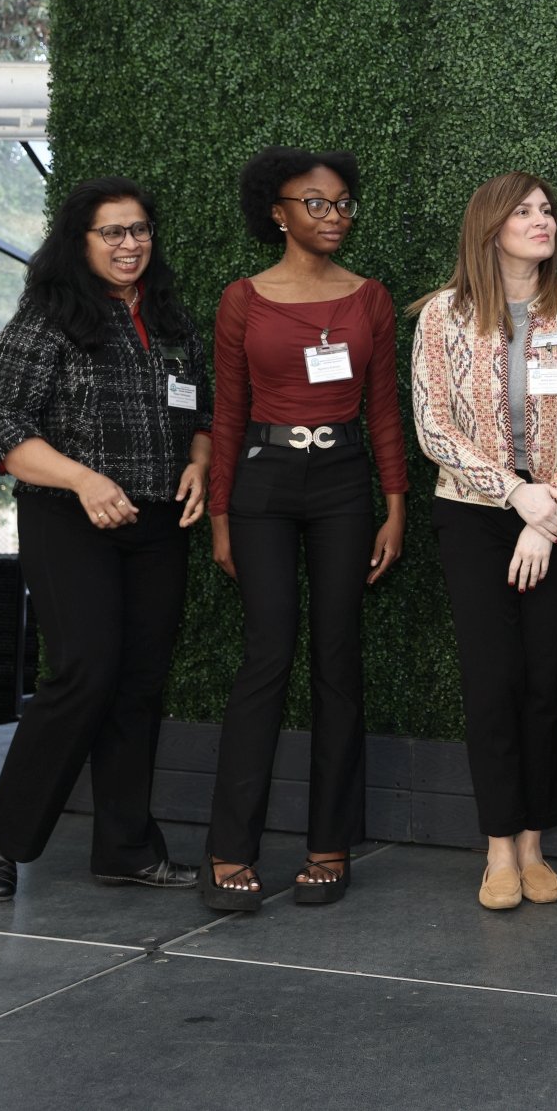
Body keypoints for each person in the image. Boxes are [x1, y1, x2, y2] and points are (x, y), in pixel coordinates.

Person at [0, 176, 210, 899]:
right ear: (80, 241)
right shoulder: (48, 316)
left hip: (159, 523)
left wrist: (199, 463)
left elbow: (203, 411)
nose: (130, 244)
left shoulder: (170, 319)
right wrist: (83, 479)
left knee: (139, 683)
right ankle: (0, 833)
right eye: (113, 232)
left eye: (140, 230)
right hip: (68, 520)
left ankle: (126, 849)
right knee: (85, 672)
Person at [200, 146, 408, 910]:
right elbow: (227, 414)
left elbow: (383, 410)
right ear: (277, 213)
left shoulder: (370, 298)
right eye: (315, 203)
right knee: (268, 654)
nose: (334, 215)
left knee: (337, 657)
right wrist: (220, 515)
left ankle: (330, 845)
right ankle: (229, 849)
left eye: (343, 202)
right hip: (263, 480)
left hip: (344, 482)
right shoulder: (242, 299)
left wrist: (395, 505)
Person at [410, 171, 557, 910]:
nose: (542, 221)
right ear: (489, 227)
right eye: (524, 211)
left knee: (544, 680)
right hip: (474, 515)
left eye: (547, 210)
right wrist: (514, 495)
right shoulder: (442, 315)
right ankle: (498, 845)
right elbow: (434, 426)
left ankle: (534, 842)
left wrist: (546, 509)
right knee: (491, 680)